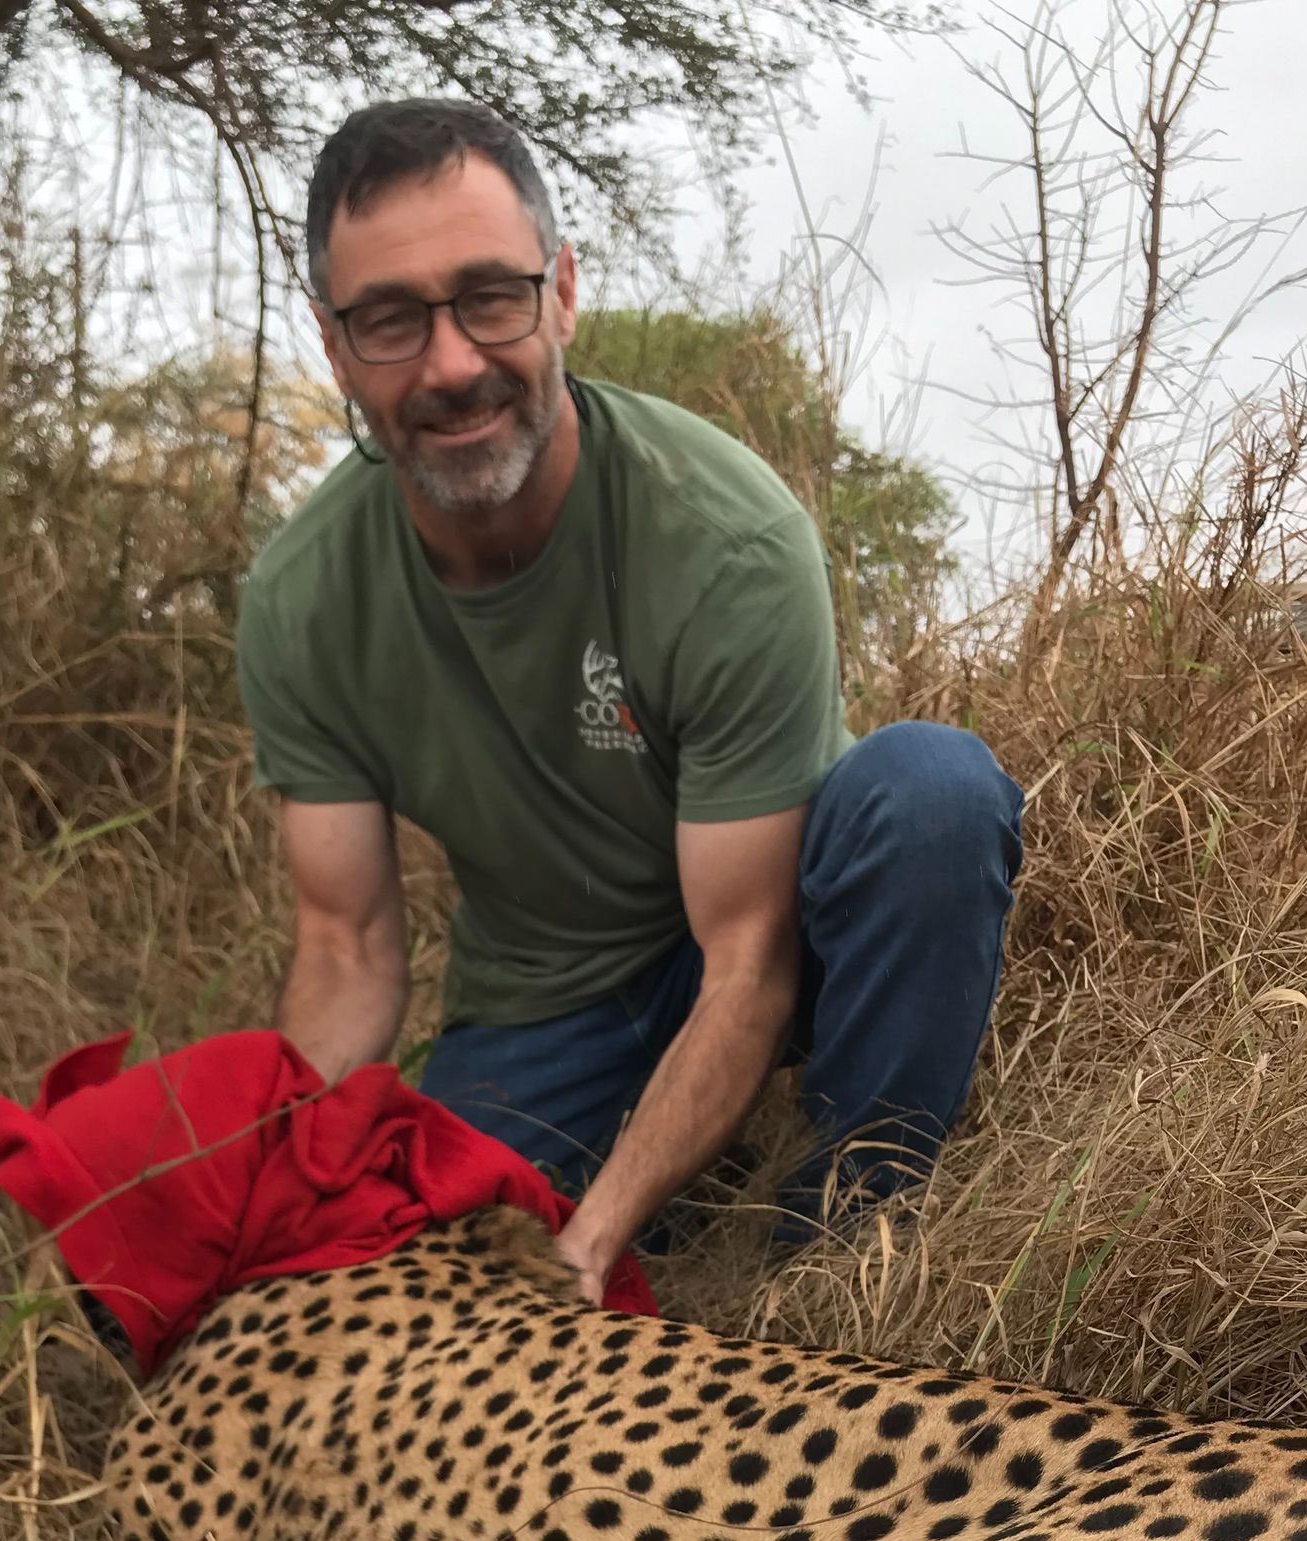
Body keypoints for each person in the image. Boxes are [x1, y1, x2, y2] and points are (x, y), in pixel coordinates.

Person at [235, 96, 1023, 1303]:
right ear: (334, 347)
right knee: (407, 1274)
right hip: (548, 998)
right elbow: (347, 949)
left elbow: (746, 958)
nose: (451, 365)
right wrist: (274, 1196)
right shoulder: (301, 597)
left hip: (772, 933)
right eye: (390, 320)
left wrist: (585, 1245)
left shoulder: (731, 537)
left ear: (560, 293)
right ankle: (673, 1172)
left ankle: (841, 1245)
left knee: (932, 792)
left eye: (490, 296)